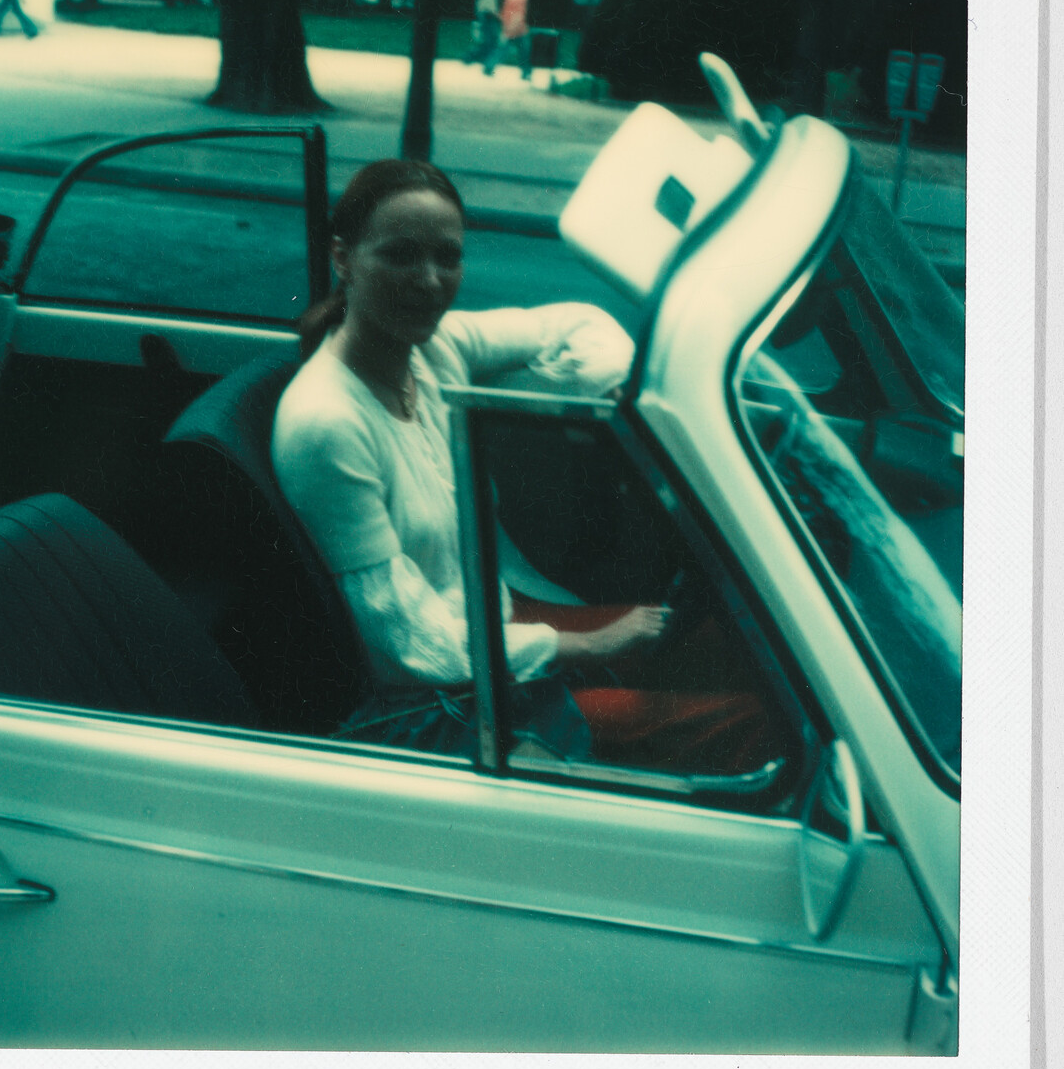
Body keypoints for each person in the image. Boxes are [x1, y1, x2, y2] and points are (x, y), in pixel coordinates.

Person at [271, 159, 775, 771]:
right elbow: (404, 647)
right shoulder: (326, 424)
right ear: (343, 258)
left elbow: (575, 322)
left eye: (448, 257)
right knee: (752, 725)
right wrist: (584, 646)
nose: (429, 281)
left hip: (498, 625)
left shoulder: (436, 348)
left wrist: (609, 392)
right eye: (401, 255)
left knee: (730, 643)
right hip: (454, 699)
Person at [484, 0, 532, 79]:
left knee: (502, 50)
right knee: (524, 51)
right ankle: (526, 73)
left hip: (507, 26)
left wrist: (505, 26)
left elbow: (504, 11)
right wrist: (518, 27)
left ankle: (489, 66)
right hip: (519, 28)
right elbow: (519, 13)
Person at [463, 0, 503, 65]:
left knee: (487, 40)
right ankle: (470, 57)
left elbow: (479, 3)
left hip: (481, 15)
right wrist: (499, 16)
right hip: (489, 16)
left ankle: (473, 57)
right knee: (491, 40)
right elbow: (490, 7)